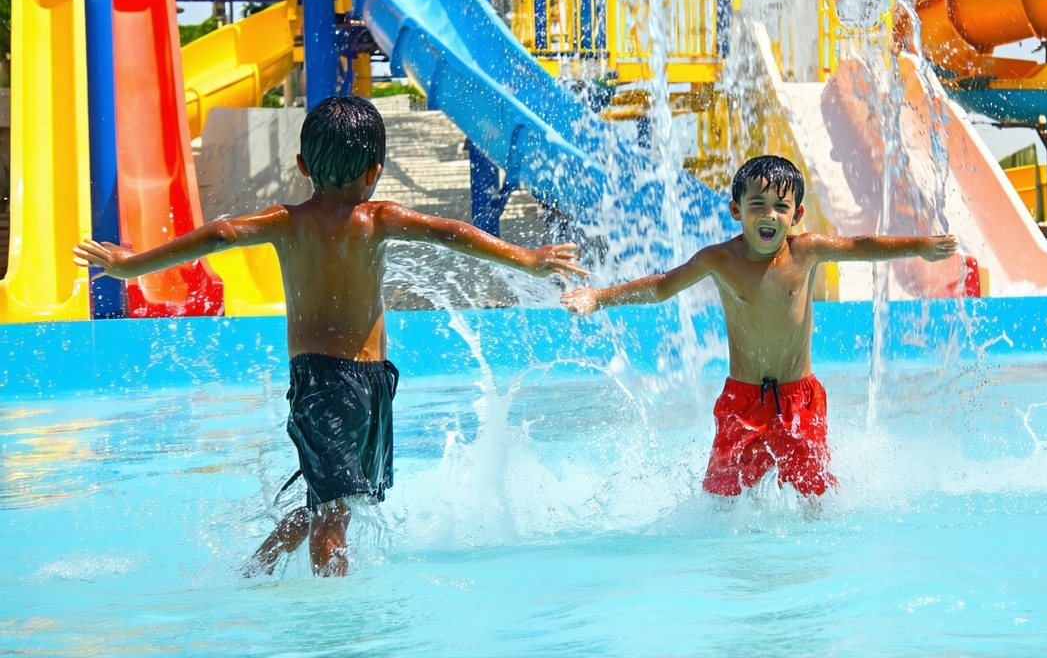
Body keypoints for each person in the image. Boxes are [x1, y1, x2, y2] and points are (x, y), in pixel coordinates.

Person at [74, 95, 587, 576]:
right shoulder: (377, 219)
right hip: (340, 385)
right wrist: (527, 257)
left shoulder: (288, 222)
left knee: (334, 502)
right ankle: (337, 618)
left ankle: (254, 572)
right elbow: (449, 232)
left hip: (357, 383)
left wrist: (131, 265)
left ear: (302, 165)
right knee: (334, 514)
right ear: (375, 171)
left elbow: (220, 233)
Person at [560, 155, 957, 503]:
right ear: (737, 210)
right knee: (721, 500)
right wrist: (600, 297)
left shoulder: (807, 251)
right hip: (742, 401)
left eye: (781, 207)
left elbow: (862, 247)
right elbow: (663, 285)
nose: (769, 215)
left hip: (799, 400)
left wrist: (919, 245)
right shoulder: (720, 259)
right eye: (757, 205)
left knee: (815, 499)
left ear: (797, 215)